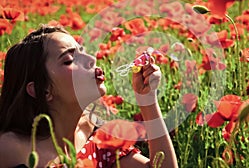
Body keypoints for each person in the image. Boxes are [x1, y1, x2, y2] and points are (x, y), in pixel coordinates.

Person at [0, 24, 178, 167]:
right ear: (42, 91)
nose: (91, 59)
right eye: (68, 60)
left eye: (82, 50)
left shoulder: (98, 138)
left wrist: (147, 100)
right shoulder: (12, 150)